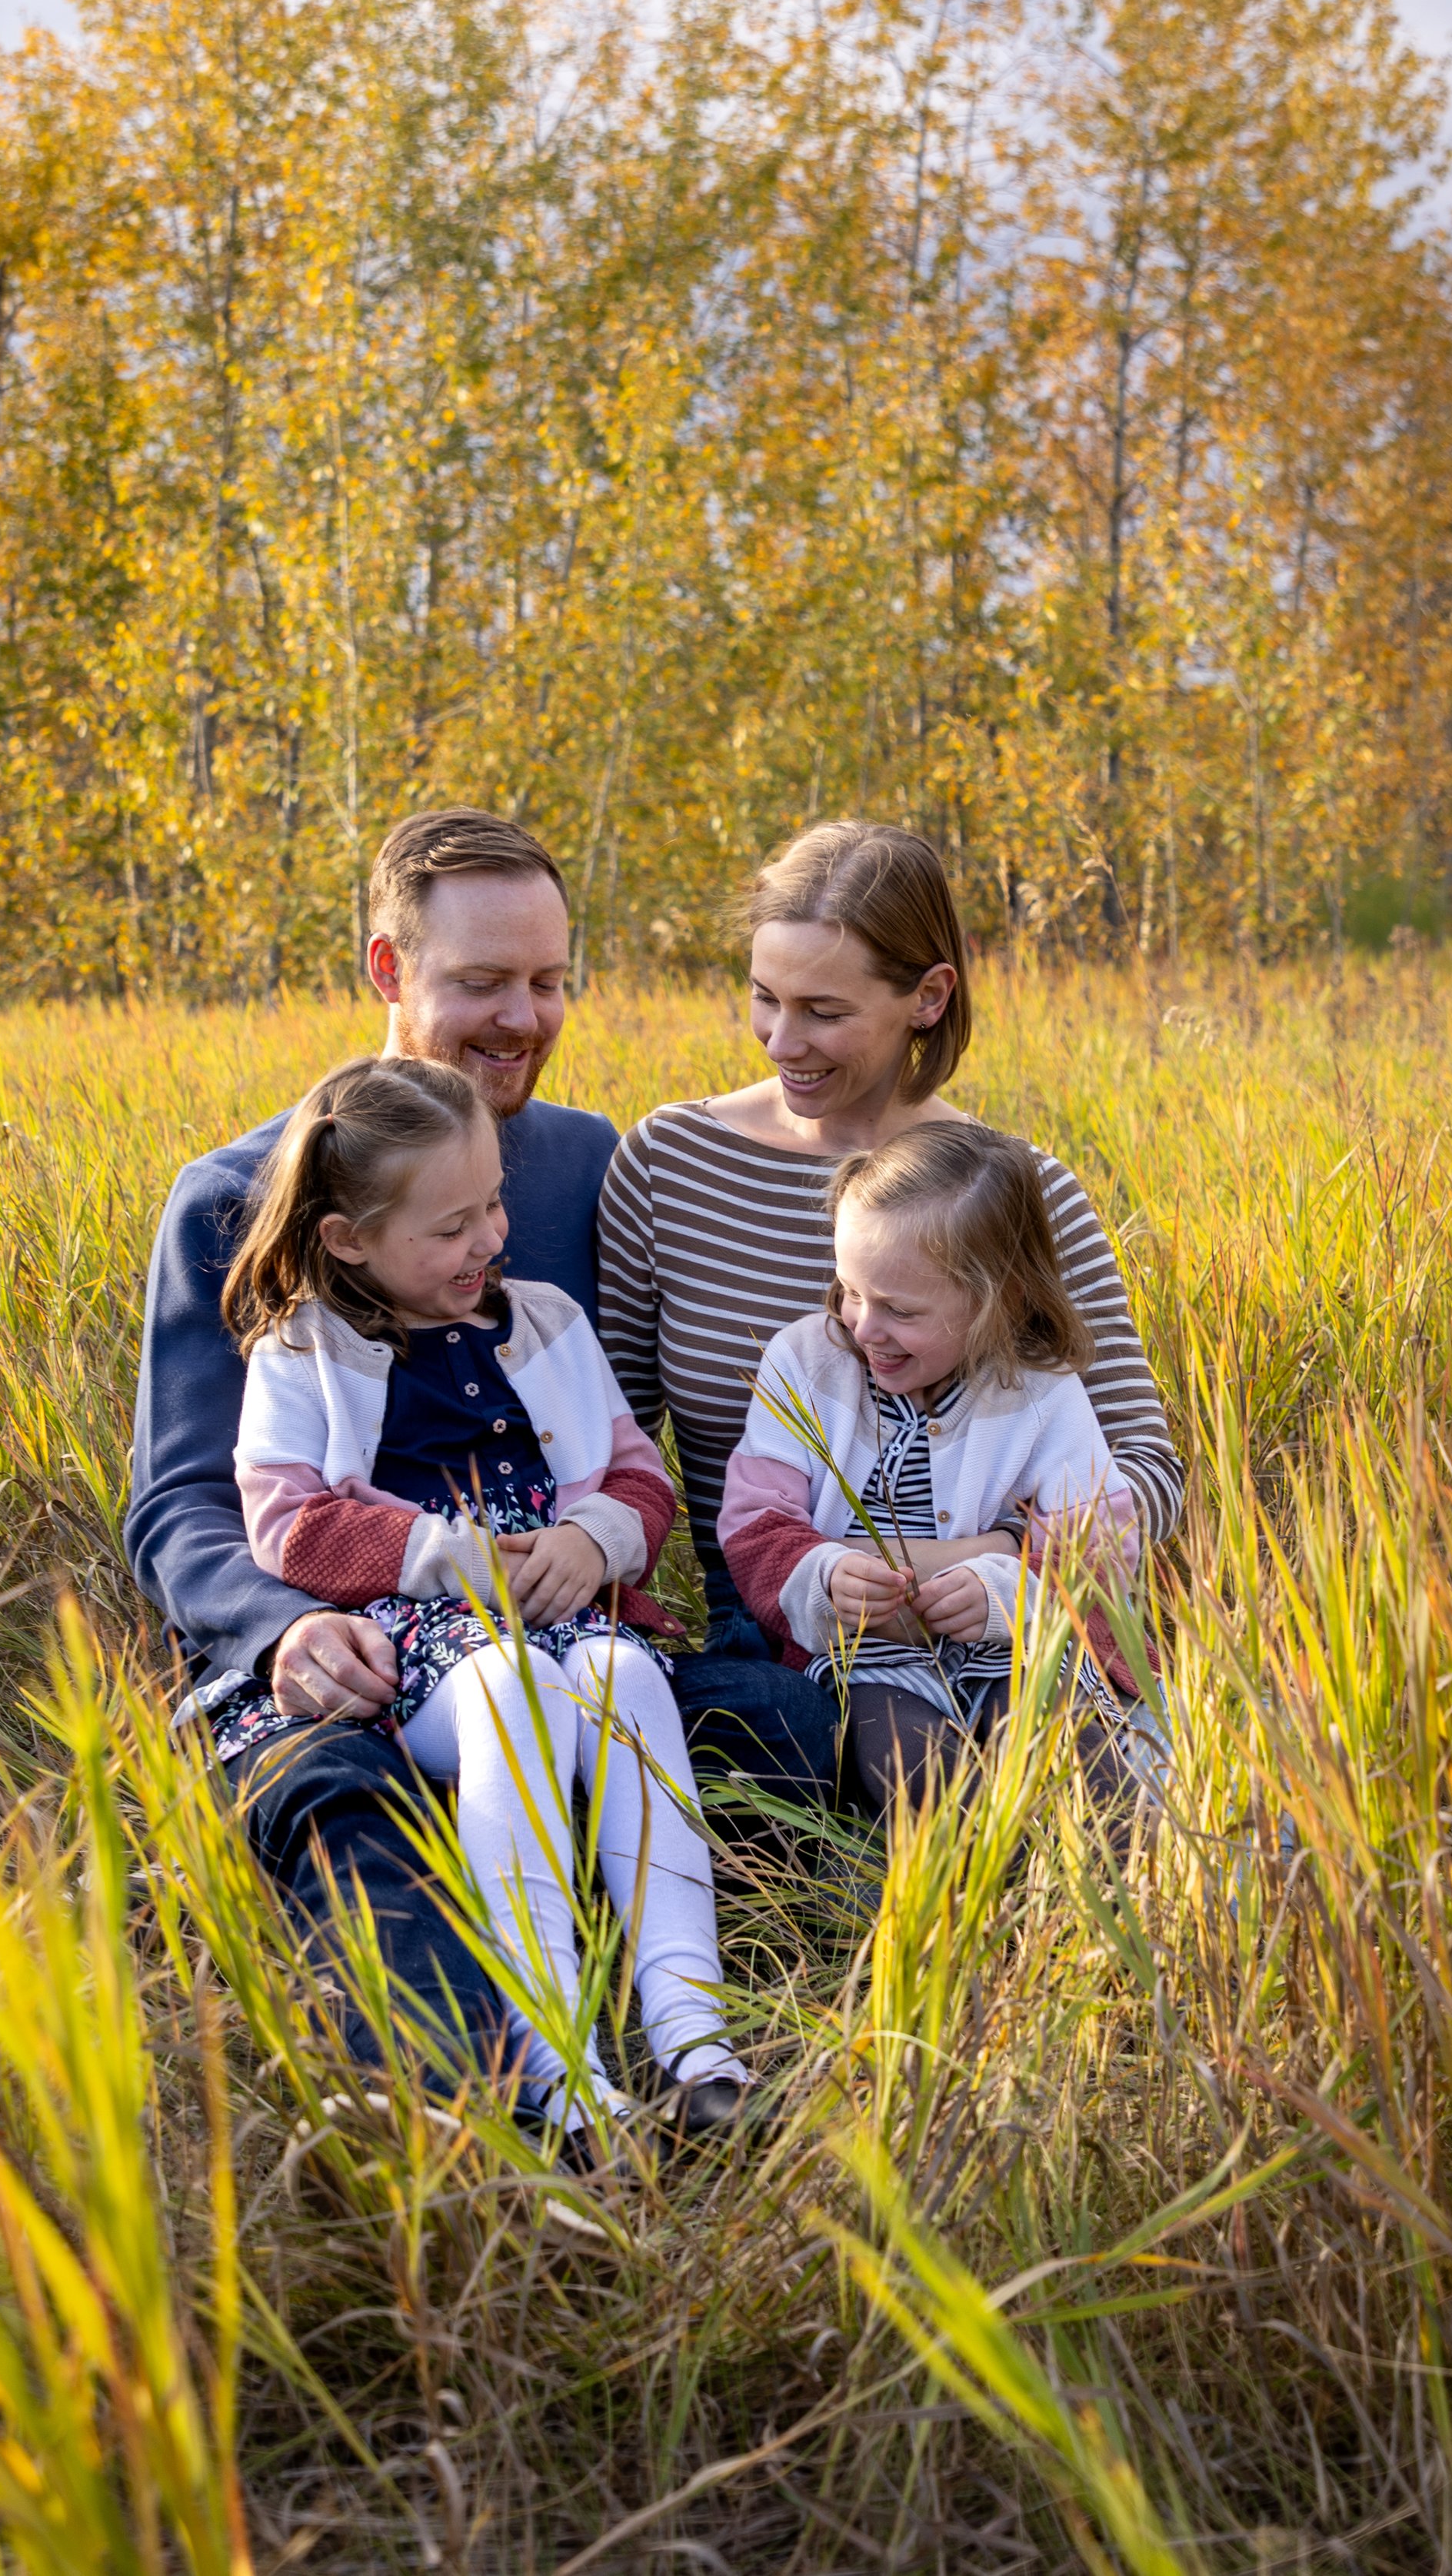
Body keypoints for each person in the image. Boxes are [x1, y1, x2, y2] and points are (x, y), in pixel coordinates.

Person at [124, 805, 828, 2085]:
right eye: (482, 982)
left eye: (551, 982)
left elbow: (632, 1424)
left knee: (783, 1727)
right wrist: (280, 1630)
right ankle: (514, 2093)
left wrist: (608, 1536)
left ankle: (684, 2010)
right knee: (346, 1808)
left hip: (557, 1637)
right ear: (390, 970)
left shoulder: (583, 1166)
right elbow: (181, 1500)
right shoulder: (240, 1198)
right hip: (340, 1656)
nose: (523, 1018)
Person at [220, 1051, 746, 2132]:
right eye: (451, 1226)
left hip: (571, 1612)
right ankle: (561, 2063)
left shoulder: (546, 1318)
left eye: (495, 1203)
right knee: (510, 1687)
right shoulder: (301, 1346)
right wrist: (449, 1557)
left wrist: (598, 1541)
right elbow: (286, 1522)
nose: (490, 1240)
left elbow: (637, 1471)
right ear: (348, 1238)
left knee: (623, 1680)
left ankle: (695, 2037)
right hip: (419, 1644)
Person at [598, 822, 1183, 1792]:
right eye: (763, 997)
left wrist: (994, 1560)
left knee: (1094, 1769)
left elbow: (1145, 1476)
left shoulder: (1009, 1194)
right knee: (795, 1740)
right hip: (782, 1622)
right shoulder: (669, 1164)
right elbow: (605, 1446)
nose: (783, 1041)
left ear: (927, 996)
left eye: (823, 1010)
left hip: (1007, 1603)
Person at [719, 1120, 1161, 1812]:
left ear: (1000, 1301)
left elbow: (1101, 1552)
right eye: (850, 1290)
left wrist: (1000, 1590)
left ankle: (1123, 1894)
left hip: (1017, 1651)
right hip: (867, 1662)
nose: (864, 1327)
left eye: (900, 1309)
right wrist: (828, 1577)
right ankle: (977, 1893)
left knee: (1083, 1760)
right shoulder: (806, 1364)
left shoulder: (1040, 1392)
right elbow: (755, 1528)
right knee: (911, 1767)